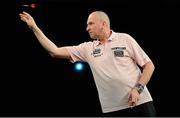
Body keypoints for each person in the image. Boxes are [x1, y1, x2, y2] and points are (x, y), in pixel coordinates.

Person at [19, 10, 156, 116]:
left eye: (90, 24)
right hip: (112, 109)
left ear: (103, 24)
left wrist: (137, 90)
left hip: (140, 102)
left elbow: (149, 66)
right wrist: (34, 27)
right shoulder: (87, 48)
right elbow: (54, 51)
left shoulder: (125, 39)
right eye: (87, 25)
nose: (87, 28)